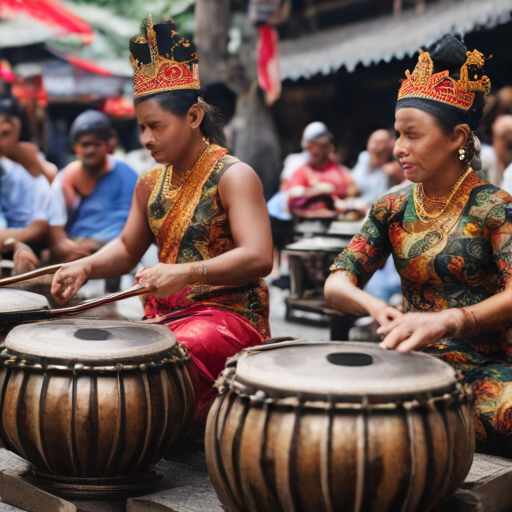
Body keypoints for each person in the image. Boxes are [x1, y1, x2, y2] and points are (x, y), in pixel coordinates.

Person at [51, 16, 272, 421]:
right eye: (141, 128)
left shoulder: (234, 176)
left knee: (166, 357)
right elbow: (126, 248)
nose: (147, 139)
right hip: (166, 316)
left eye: (156, 126)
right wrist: (84, 265)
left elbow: (259, 257)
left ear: (192, 117)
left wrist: (185, 272)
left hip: (228, 317)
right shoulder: (149, 182)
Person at [324, 34, 512, 456]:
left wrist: (449, 321)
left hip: (484, 369)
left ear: (458, 137)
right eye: (397, 134)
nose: (399, 148)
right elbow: (337, 283)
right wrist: (378, 308)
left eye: (412, 135)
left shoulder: (496, 208)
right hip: (411, 360)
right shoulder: (391, 206)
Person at [48, 110, 138, 262]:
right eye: (85, 145)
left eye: (96, 144)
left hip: (123, 250)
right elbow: (56, 238)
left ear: (107, 145)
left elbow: (137, 223)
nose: (90, 150)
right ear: (76, 147)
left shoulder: (127, 175)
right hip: (78, 252)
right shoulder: (64, 180)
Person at [288, 123, 357, 218]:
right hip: (310, 226)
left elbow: (353, 191)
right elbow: (292, 202)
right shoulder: (301, 172)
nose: (315, 151)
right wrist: (316, 191)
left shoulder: (341, 171)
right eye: (311, 147)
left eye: (320, 147)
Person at [351, 129, 394, 204]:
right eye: (373, 141)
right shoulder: (364, 158)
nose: (374, 145)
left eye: (380, 142)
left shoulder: (392, 169)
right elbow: (353, 186)